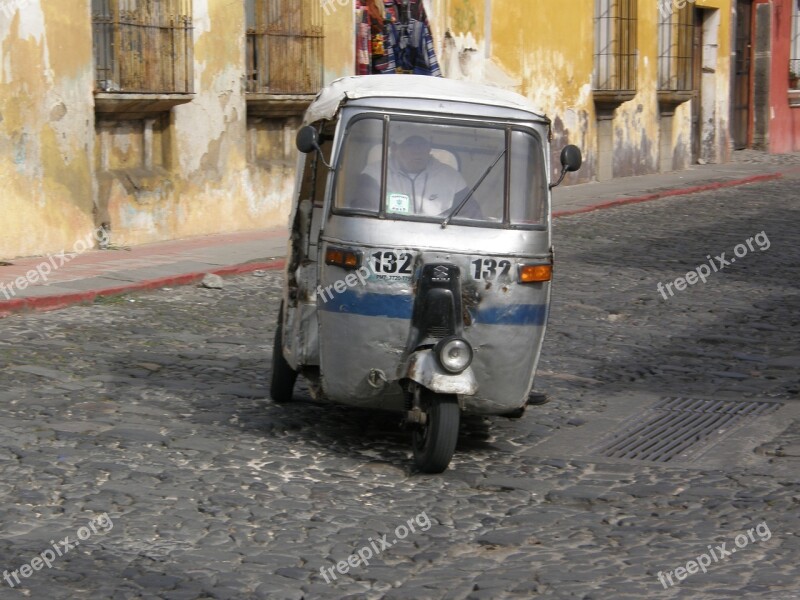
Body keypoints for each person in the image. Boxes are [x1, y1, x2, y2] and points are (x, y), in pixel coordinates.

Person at [357, 135, 481, 218]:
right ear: (394, 148)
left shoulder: (451, 177)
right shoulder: (374, 173)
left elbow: (471, 214)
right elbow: (363, 214)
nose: (417, 151)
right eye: (409, 145)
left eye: (422, 145)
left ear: (429, 148)